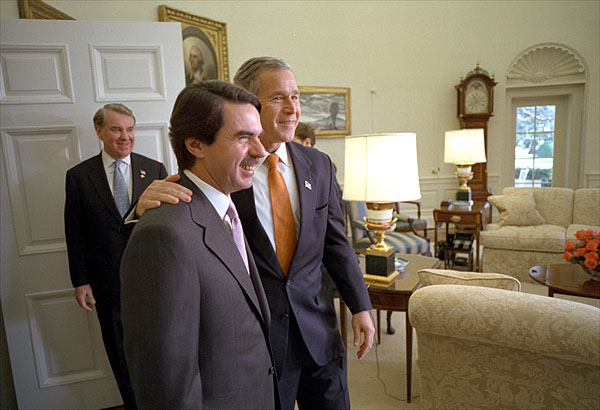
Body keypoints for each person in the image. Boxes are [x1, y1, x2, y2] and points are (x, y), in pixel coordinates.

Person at [133, 57, 375, 410]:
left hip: (318, 334)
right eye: (279, 98)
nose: (292, 108)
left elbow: (336, 242)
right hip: (259, 345)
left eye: (296, 96)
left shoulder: (318, 164)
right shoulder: (224, 170)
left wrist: (361, 306)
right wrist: (140, 210)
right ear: (251, 102)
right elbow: (178, 240)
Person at [120, 81, 277, 409]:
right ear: (195, 144)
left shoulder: (227, 209)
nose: (262, 151)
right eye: (243, 137)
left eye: (259, 136)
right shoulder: (163, 236)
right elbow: (166, 384)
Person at [64, 103, 168, 409]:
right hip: (107, 285)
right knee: (122, 360)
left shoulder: (156, 169)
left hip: (153, 281)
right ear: (99, 131)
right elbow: (75, 232)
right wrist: (81, 281)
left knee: (160, 354)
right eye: (116, 129)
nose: (126, 137)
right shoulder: (79, 176)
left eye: (130, 129)